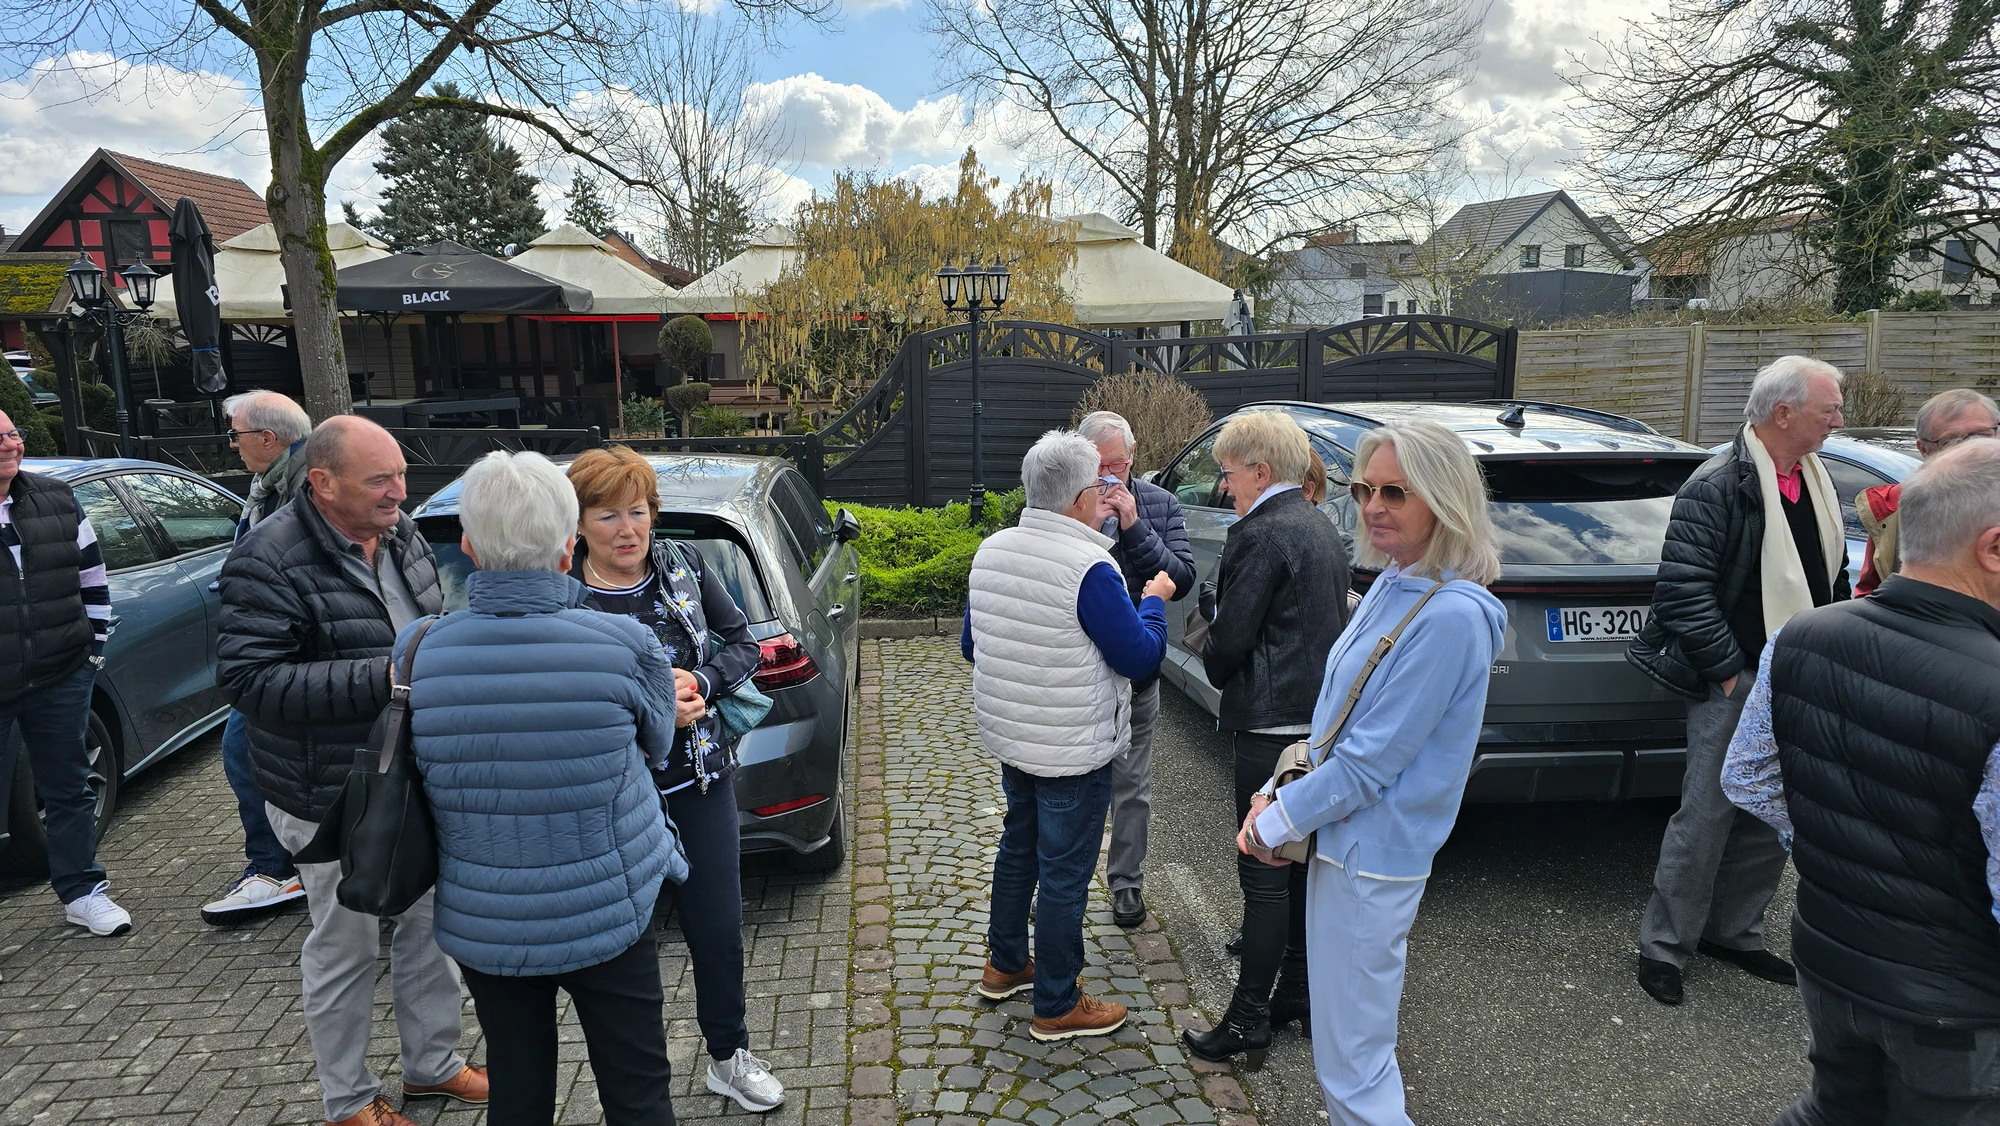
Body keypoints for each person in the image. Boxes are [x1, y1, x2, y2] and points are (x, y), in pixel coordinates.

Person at [403, 451, 688, 1126]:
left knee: (518, 1088)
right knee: (638, 1089)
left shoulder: (417, 649)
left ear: (469, 547)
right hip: (608, 908)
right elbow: (658, 744)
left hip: (486, 919)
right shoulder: (625, 642)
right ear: (568, 548)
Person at [1721, 438, 2000, 1125]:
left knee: (1834, 1109)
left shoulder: (1802, 635)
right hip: (1955, 1007)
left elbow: (1748, 778)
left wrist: (1837, 847)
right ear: (1993, 548)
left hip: (1830, 957)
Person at [218, 415, 484, 1126]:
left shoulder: (401, 534)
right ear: (323, 483)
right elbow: (250, 684)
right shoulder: (267, 559)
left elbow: (428, 628)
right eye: (380, 480)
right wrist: (387, 677)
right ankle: (348, 1098)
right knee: (345, 944)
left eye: (401, 475)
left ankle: (433, 1066)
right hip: (327, 791)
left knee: (430, 923)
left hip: (412, 775)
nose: (399, 491)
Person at [1242, 420, 1504, 1123]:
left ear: (1443, 498)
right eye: (1365, 490)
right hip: (1343, 843)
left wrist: (1275, 822)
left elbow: (1369, 764)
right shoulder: (1396, 582)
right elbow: (1335, 722)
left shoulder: (1450, 617)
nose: (1373, 506)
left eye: (1396, 492)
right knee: (1342, 1054)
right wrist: (1274, 792)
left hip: (1372, 857)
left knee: (1356, 1066)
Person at [563, 445, 783, 1113]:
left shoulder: (685, 565)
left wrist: (704, 684)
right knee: (621, 948)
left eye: (638, 512)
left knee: (717, 929)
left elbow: (744, 644)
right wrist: (654, 712)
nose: (627, 530)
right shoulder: (563, 595)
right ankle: (635, 1087)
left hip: (699, 785)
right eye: (607, 516)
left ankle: (728, 1055)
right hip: (612, 797)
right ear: (578, 524)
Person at [1626, 354, 1851, 1007]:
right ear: (1784, 413)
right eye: (1829, 410)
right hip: (1739, 679)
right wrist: (1729, 673)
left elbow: (1831, 577)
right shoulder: (1719, 483)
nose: (1839, 421)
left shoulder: (1815, 479)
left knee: (1771, 811)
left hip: (1799, 676)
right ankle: (1664, 947)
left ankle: (1734, 933)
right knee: (1707, 815)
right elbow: (1682, 591)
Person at [963, 429, 1174, 1041]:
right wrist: (1155, 602)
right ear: (1082, 497)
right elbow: (1139, 657)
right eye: (1099, 486)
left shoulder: (992, 550)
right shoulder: (1090, 567)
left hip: (1015, 737)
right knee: (1063, 872)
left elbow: (973, 645)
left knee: (1018, 848)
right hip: (1072, 749)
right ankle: (1056, 1002)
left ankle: (1005, 963)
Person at [0, 408, 128, 937]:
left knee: (69, 787)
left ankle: (83, 892)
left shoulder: (56, 497)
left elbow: (93, 577)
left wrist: (91, 653)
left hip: (60, 673)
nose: (9, 444)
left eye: (12, 433)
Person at [1077, 410, 1195, 929]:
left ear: (1133, 458)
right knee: (1074, 787)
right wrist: (1090, 522)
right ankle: (1065, 882)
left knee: (1132, 785)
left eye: (1117, 465)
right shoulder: (1068, 500)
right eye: (1098, 467)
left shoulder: (1159, 503)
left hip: (1138, 676)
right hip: (1079, 675)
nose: (1108, 477)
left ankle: (1126, 882)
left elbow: (1181, 577)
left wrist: (1133, 525)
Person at [202, 390, 314, 925]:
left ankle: (275, 869)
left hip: (287, 653)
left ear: (268, 438)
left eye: (237, 434)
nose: (232, 444)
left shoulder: (307, 487)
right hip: (274, 648)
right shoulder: (271, 484)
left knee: (243, 751)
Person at [1854, 388, 2000, 596]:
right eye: (1952, 441)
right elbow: (1871, 591)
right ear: (1924, 450)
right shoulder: (1894, 507)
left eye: (1982, 436)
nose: (1971, 449)